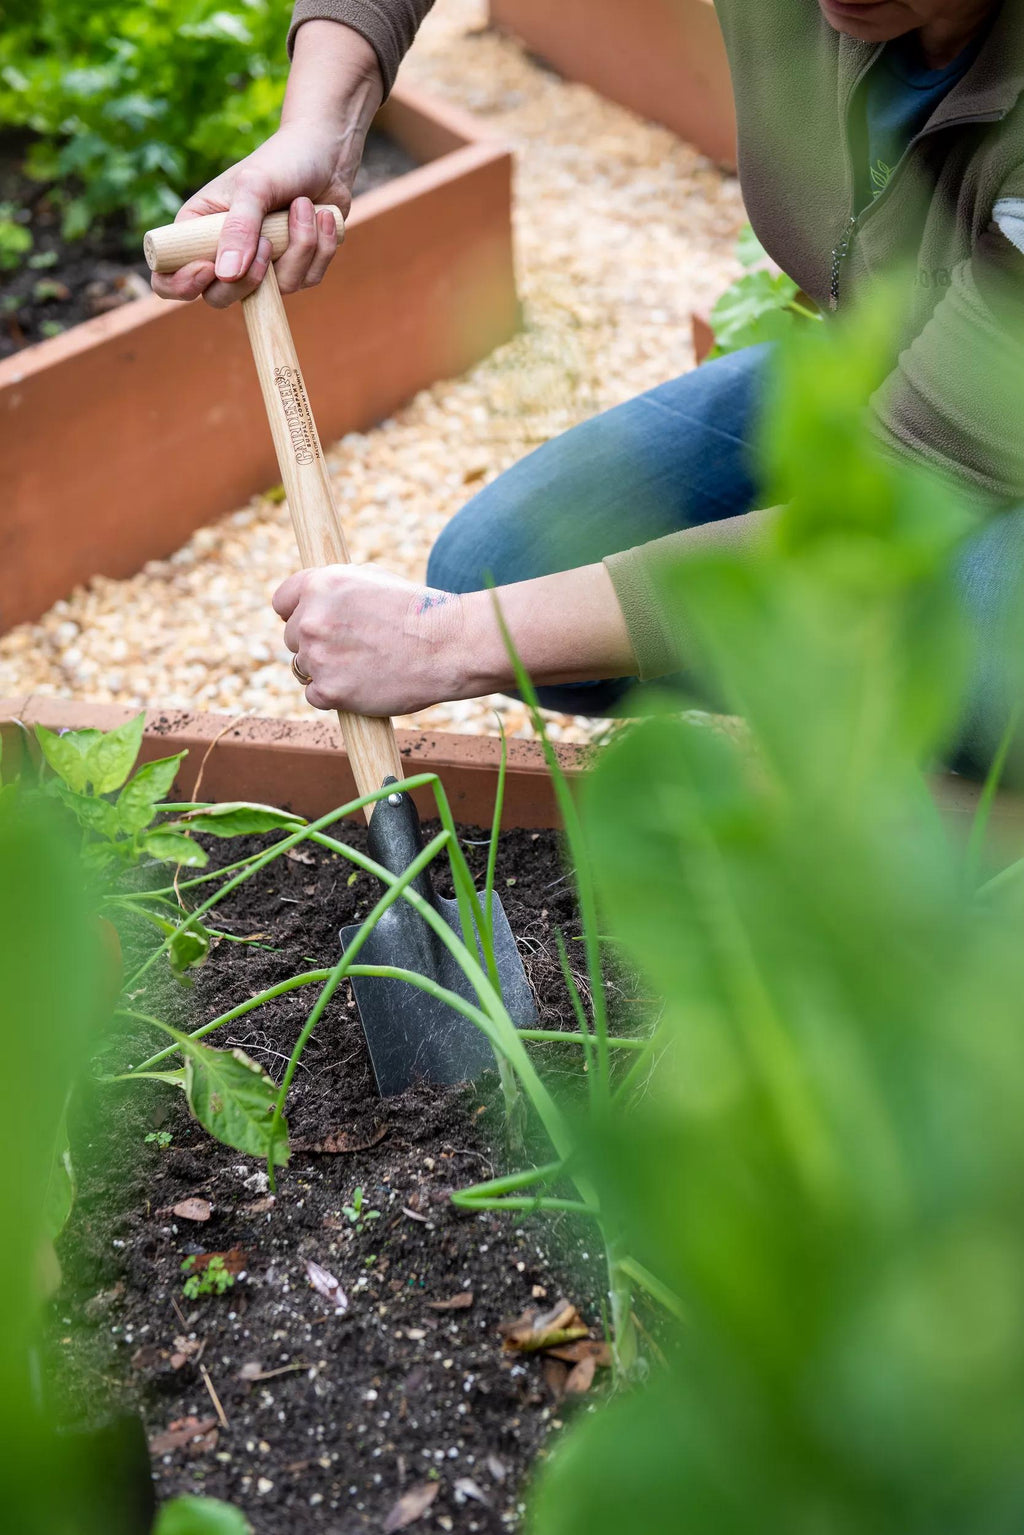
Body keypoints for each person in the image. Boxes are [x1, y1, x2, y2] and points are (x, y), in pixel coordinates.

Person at [154, 0, 1024, 763]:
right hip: (890, 375)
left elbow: (889, 506)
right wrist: (322, 128)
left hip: (974, 460)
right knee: (505, 563)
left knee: (984, 656)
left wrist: (451, 643)